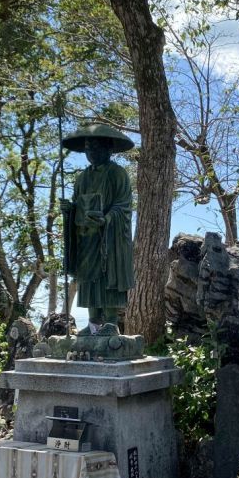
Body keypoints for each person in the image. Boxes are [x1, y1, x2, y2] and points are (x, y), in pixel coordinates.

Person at [59, 124, 135, 335]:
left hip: (110, 236)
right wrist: (70, 210)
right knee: (89, 278)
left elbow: (124, 206)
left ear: (109, 149)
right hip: (86, 238)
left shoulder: (118, 173)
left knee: (107, 278)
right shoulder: (82, 178)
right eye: (87, 148)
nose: (91, 152)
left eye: (96, 148)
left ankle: (110, 323)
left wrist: (107, 219)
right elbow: (77, 204)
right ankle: (93, 324)